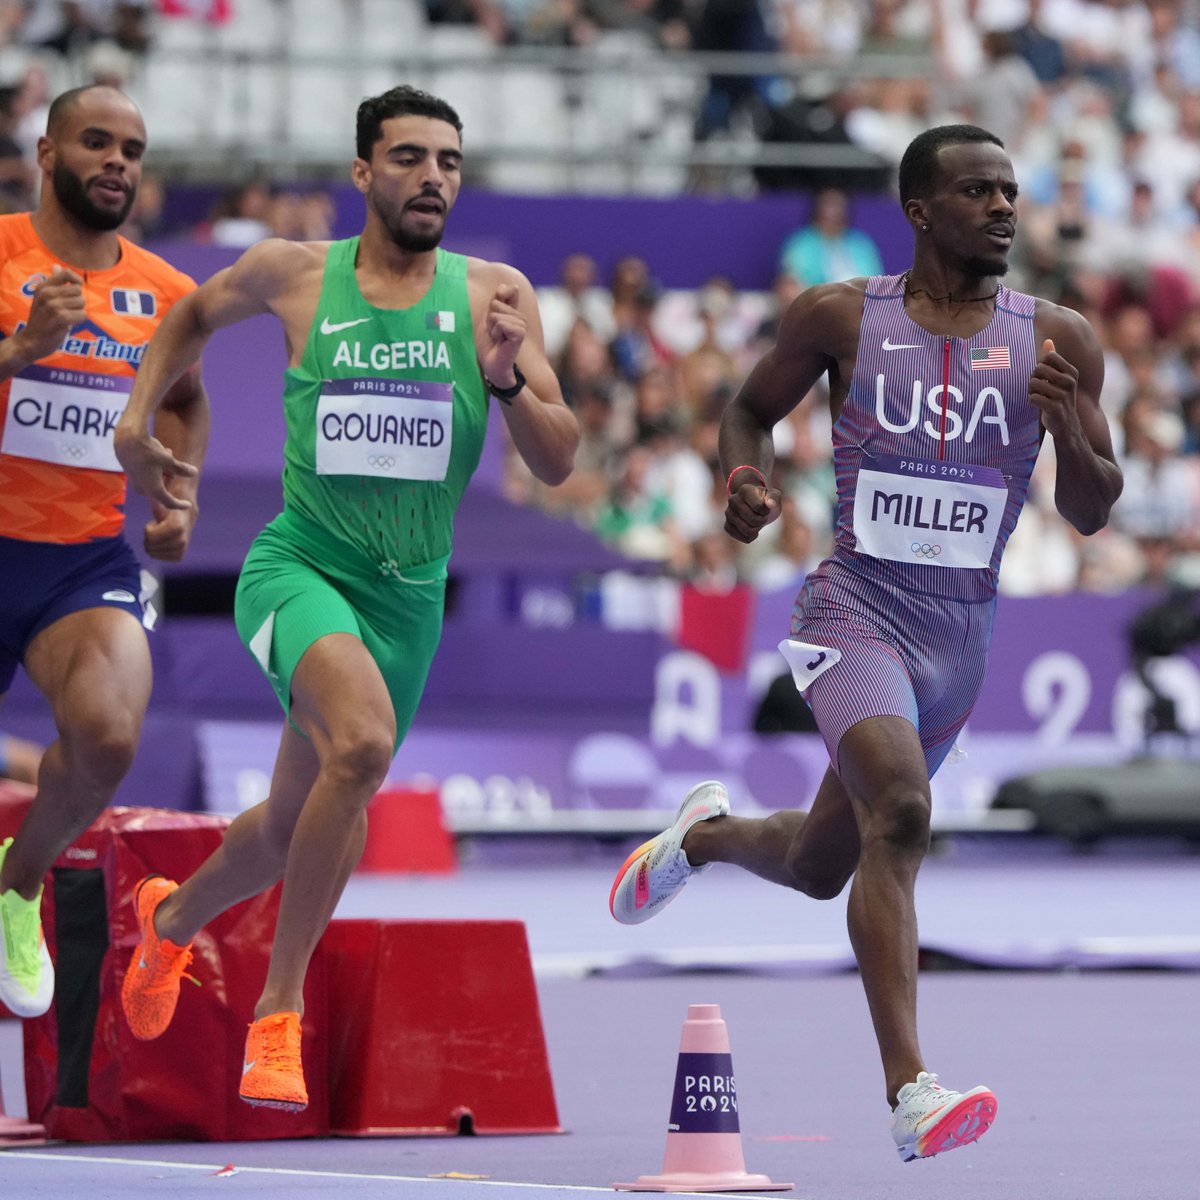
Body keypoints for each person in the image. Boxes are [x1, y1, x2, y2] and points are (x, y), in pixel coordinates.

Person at [610, 125, 1122, 1162]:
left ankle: (699, 836)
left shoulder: (1060, 338)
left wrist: (1069, 429)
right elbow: (748, 413)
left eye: (1010, 192)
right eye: (977, 191)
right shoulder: (842, 315)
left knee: (818, 865)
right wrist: (741, 480)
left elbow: (1095, 511)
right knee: (902, 810)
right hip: (854, 610)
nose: (1004, 208)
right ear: (921, 210)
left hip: (961, 640)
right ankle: (911, 1093)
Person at [113, 85, 579, 1112]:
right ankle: (279, 1011)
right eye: (409, 158)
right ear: (364, 173)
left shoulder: (493, 295)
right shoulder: (295, 275)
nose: (433, 177)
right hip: (298, 570)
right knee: (360, 747)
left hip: (408, 604)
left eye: (449, 160)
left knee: (291, 824)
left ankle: (169, 922)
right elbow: (189, 312)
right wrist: (137, 419)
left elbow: (558, 458)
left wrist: (505, 383)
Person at [0, 85, 205, 1019]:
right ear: (47, 154)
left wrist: (180, 490)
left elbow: (188, 401)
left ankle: (18, 882)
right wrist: (17, 350)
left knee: (110, 735)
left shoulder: (165, 292)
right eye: (95, 142)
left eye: (133, 148)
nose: (118, 161)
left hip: (79, 561)